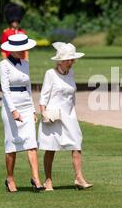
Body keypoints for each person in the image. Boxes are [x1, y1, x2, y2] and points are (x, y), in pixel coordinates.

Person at [38, 42, 93, 191]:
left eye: (72, 60)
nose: (72, 63)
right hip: (53, 116)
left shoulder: (71, 73)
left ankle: (79, 178)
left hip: (69, 115)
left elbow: (71, 95)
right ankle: (48, 180)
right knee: (51, 147)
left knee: (76, 143)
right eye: (69, 60)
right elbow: (43, 96)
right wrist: (43, 113)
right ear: (61, 61)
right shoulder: (50, 74)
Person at [0, 33, 45, 192]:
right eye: (21, 49)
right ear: (13, 50)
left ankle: (36, 179)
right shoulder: (4, 64)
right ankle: (10, 178)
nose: (24, 51)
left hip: (26, 105)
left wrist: (32, 110)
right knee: (12, 145)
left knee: (32, 143)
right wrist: (13, 111)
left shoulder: (25, 63)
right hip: (11, 106)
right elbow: (5, 90)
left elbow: (28, 87)